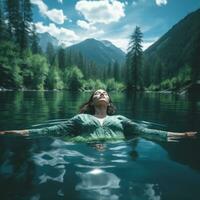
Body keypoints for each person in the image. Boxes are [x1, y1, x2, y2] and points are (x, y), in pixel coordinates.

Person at [0, 89, 197, 142]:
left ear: (109, 102)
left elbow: (147, 132)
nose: (101, 93)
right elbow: (48, 131)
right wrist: (9, 132)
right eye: (97, 93)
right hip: (83, 155)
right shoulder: (80, 119)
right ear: (92, 102)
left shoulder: (120, 120)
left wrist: (185, 135)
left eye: (104, 92)